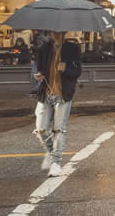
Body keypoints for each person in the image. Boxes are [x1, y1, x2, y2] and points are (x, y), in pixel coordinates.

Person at [33, 31, 82, 177]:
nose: (56, 35)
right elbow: (40, 69)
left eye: (59, 33)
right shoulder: (44, 48)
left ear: (64, 33)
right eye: (54, 32)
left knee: (59, 129)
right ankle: (50, 152)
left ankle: (56, 163)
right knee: (40, 129)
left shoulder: (72, 49)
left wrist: (66, 68)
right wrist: (39, 75)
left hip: (62, 94)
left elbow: (78, 71)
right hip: (46, 93)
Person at [29, 30, 50, 95]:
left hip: (37, 59)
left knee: (36, 74)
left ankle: (37, 89)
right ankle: (38, 89)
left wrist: (32, 47)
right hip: (39, 59)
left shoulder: (39, 37)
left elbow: (40, 48)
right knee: (37, 74)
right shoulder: (44, 37)